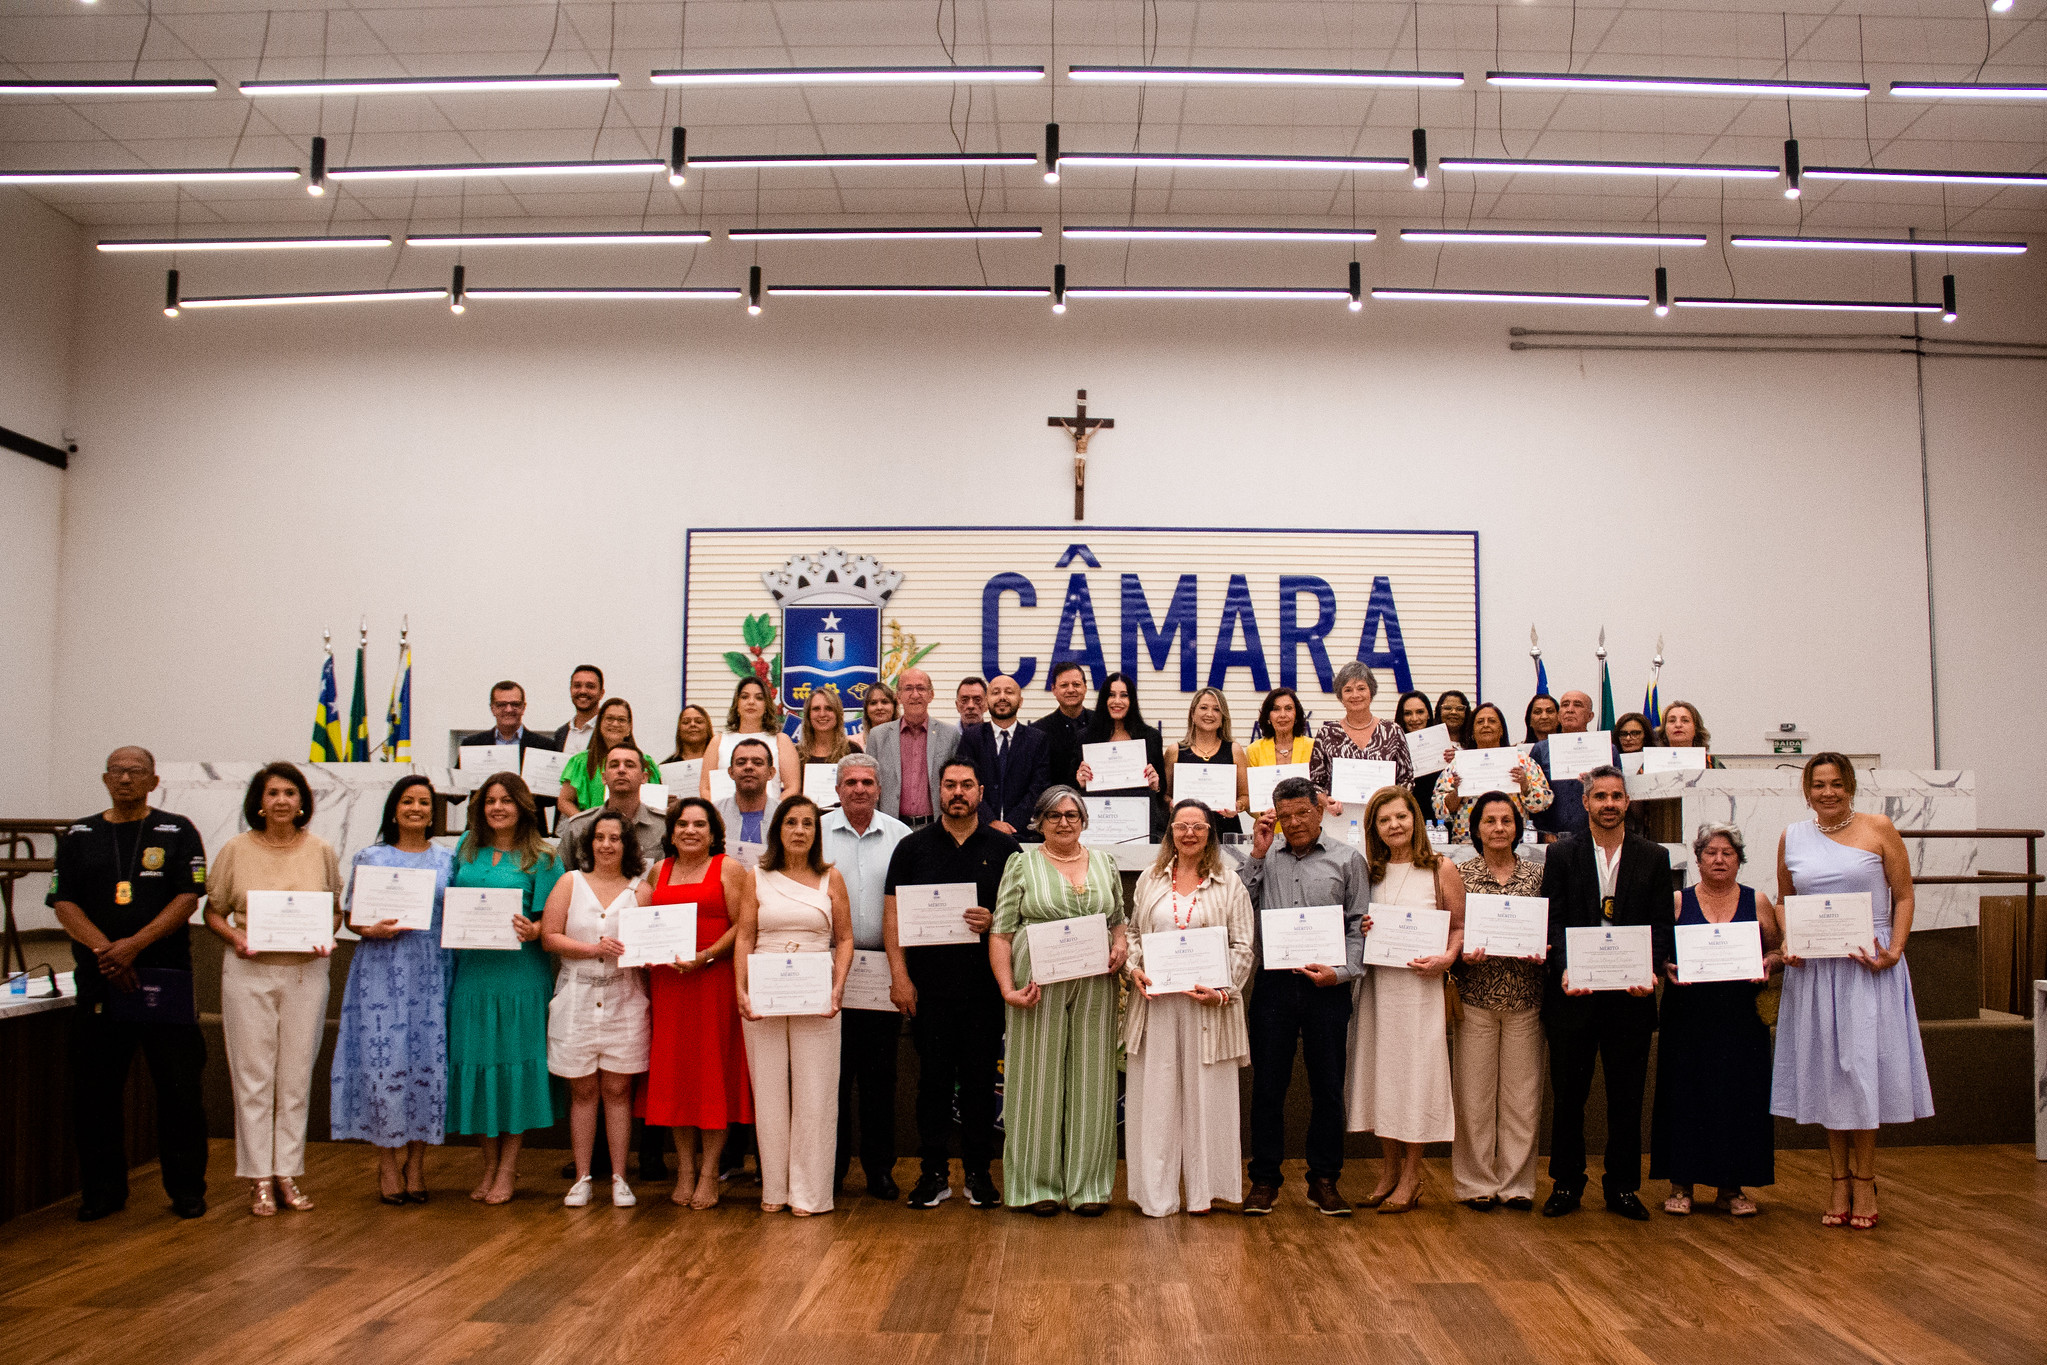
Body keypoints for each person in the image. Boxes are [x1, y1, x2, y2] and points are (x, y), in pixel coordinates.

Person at [47, 746, 209, 1221]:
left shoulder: (177, 830)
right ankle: (102, 1192)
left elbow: (187, 898)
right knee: (95, 1094)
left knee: (180, 1090)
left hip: (163, 980)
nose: (125, 779)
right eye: (116, 771)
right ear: (103, 778)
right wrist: (107, 952)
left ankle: (186, 1190)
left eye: (135, 772)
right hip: (102, 982)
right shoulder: (79, 834)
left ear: (153, 781)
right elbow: (64, 903)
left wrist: (133, 945)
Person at [1771, 753, 1933, 1230]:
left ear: (1851, 787)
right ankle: (1837, 1179)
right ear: (1807, 791)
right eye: (1818, 785)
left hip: (1869, 965)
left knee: (1861, 1073)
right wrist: (1790, 940)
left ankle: (1865, 1179)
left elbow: (1903, 895)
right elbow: (1786, 901)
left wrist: (1896, 949)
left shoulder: (1879, 827)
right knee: (1829, 1074)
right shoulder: (1792, 836)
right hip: (1817, 972)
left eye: (1836, 784)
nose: (1828, 792)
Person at [202, 761, 343, 1217]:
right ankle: (258, 1177)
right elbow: (214, 911)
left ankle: (287, 1172)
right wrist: (237, 938)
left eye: (290, 793)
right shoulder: (235, 849)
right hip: (249, 972)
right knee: (254, 1077)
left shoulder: (320, 849)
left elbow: (336, 910)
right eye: (272, 793)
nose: (281, 801)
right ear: (258, 803)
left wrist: (328, 933)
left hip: (305, 974)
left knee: (296, 1078)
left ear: (303, 802)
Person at [883, 758, 1019, 1210]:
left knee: (981, 1085)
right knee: (933, 1086)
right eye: (949, 785)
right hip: (929, 990)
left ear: (981, 791)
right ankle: (933, 1174)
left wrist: (996, 919)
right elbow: (893, 914)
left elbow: (1025, 918)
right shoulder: (912, 847)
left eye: (966, 785)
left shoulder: (1005, 851)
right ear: (938, 791)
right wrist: (900, 977)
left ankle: (979, 1173)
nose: (957, 792)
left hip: (984, 990)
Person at [1539, 766, 1672, 1221]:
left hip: (1630, 999)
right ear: (1586, 803)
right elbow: (1552, 919)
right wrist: (1563, 967)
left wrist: (1651, 970)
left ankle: (1622, 1187)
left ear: (1627, 802)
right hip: (1573, 995)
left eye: (1617, 796)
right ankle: (1566, 1184)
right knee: (1568, 1097)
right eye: (1601, 796)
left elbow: (1660, 926)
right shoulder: (1562, 855)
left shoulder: (1652, 856)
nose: (1609, 804)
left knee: (1626, 1098)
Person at [989, 786, 1128, 1215]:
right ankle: (1036, 1186)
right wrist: (1008, 988)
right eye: (1053, 816)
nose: (1063, 822)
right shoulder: (1022, 864)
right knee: (1036, 1080)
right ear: (1040, 822)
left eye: (1071, 814)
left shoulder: (1105, 863)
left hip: (1094, 982)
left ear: (1083, 819)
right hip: (1037, 984)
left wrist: (1120, 945)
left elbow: (1119, 921)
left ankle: (1089, 1187)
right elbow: (1001, 932)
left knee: (1093, 1080)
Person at [1241, 776, 1370, 1216]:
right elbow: (1238, 906)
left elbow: (1358, 923)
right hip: (1275, 984)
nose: (1294, 822)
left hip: (1326, 986)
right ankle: (1264, 1180)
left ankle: (1325, 1179)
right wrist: (1256, 854)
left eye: (1303, 813)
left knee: (1328, 1087)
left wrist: (1342, 972)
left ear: (1320, 811)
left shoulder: (1348, 859)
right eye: (1285, 815)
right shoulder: (1264, 856)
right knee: (1268, 1086)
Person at [1122, 799, 1255, 1216]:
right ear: (1171, 833)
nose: (1190, 833)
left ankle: (1204, 1193)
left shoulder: (1229, 882)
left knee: (1208, 1100)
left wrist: (1222, 991)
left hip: (1208, 1008)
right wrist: (1133, 970)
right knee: (1156, 1102)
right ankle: (1156, 1195)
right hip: (1156, 1006)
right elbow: (1133, 934)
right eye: (1182, 826)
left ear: (1211, 834)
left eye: (1199, 826)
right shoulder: (1150, 879)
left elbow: (1243, 946)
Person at [331, 774, 454, 1204]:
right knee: (382, 1068)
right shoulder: (370, 856)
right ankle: (386, 1164)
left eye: (423, 802)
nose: (416, 808)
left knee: (426, 1069)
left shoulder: (447, 859)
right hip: (380, 972)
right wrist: (370, 928)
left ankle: (416, 1165)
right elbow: (351, 918)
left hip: (432, 973)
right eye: (407, 801)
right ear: (394, 808)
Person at [733, 795, 856, 1215]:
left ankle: (810, 1192)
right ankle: (775, 1189)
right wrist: (741, 990)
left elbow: (845, 939)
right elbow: (745, 936)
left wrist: (838, 987)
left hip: (817, 990)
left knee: (816, 1091)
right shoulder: (756, 877)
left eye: (807, 823)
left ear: (816, 832)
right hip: (765, 988)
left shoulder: (830, 878)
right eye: (791, 823)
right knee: (768, 1091)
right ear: (778, 830)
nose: (799, 830)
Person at [1651, 823, 1779, 1218]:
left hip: (1740, 1016)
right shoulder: (1676, 900)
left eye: (1728, 853)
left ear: (1739, 859)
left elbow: (1777, 950)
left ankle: (1731, 1188)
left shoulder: (1758, 901)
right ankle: (1681, 1185)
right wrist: (1664, 965)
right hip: (1687, 1015)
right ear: (1698, 858)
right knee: (1684, 1094)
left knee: (1739, 1097)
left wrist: (1768, 965)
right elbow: (1656, 950)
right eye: (1711, 853)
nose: (1719, 860)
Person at [445, 772, 562, 1205]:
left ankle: (508, 1168)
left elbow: (554, 920)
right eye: (490, 801)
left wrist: (534, 929)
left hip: (520, 978)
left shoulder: (545, 858)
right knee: (477, 1067)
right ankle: (488, 1165)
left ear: (524, 807)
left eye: (507, 801)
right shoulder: (464, 848)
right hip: (473, 977)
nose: (498, 808)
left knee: (513, 1071)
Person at [1347, 787, 1463, 1213]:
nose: (1394, 825)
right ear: (1373, 828)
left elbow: (1459, 928)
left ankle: (1413, 1175)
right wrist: (1363, 928)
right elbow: (1355, 920)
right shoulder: (1369, 871)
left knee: (1415, 1079)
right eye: (1384, 820)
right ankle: (1389, 1169)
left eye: (1401, 816)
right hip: (1378, 989)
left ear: (1415, 818)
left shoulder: (1439, 868)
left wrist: (1445, 958)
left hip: (1420, 989)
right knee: (1383, 1077)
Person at [638, 797, 754, 1208]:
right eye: (683, 824)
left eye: (699, 825)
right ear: (670, 832)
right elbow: (642, 923)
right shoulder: (658, 870)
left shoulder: (729, 868)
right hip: (669, 988)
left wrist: (706, 956)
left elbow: (744, 924)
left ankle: (709, 1173)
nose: (690, 831)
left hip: (713, 982)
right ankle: (685, 1168)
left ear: (713, 832)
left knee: (710, 1078)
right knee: (676, 1079)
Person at [541, 809, 653, 1208]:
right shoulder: (570, 883)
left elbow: (650, 944)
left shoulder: (641, 890)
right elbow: (550, 937)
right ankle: (584, 1175)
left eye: (615, 838)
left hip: (625, 995)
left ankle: (621, 1177)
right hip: (578, 996)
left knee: (618, 1089)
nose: (607, 845)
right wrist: (593, 949)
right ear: (589, 844)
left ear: (627, 845)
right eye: (600, 838)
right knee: (583, 1089)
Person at [1451, 791, 1549, 1211]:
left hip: (1526, 998)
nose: (1498, 829)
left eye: (1506, 821)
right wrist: (1462, 954)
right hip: (1475, 997)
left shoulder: (1537, 874)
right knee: (1473, 1097)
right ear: (1476, 829)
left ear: (1517, 827)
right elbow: (1450, 930)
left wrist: (1542, 946)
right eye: (1489, 821)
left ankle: (1516, 1185)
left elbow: (1550, 926)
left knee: (1522, 1098)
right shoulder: (1460, 874)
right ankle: (1475, 1183)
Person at [818, 754, 910, 1198]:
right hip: (827, 968)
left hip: (879, 968)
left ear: (879, 789)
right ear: (837, 790)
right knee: (829, 1077)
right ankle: (829, 1170)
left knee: (879, 1078)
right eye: (850, 782)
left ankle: (879, 1169)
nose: (859, 789)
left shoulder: (901, 836)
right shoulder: (813, 834)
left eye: (867, 782)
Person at [1434, 702, 1553, 844]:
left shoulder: (1521, 760)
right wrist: (1456, 792)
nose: (1485, 725)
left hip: (1512, 844)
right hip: (1468, 842)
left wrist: (1525, 785)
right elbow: (1439, 810)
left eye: (1492, 721)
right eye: (1479, 722)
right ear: (1472, 731)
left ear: (1501, 730)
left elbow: (1543, 802)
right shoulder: (1458, 763)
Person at [1074, 671, 1168, 841]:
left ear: (1131, 700)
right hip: (1098, 824)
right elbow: (1070, 789)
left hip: (1138, 823)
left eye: (1124, 695)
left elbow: (1162, 791)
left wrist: (1155, 785)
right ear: (1104, 700)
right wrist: (1081, 783)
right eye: (1111, 695)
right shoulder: (1085, 737)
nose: (1117, 701)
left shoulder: (1150, 737)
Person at [1310, 662, 1415, 813]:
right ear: (1340, 696)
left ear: (1371, 692)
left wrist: (1392, 806)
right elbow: (1315, 783)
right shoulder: (1327, 733)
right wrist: (1327, 803)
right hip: (1339, 818)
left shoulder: (1392, 731)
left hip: (1384, 816)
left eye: (1361, 688)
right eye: (1348, 690)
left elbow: (1407, 780)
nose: (1355, 695)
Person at [954, 673, 1050, 836]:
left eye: (1009, 692)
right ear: (986, 701)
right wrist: (990, 821)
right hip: (978, 832)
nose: (1002, 697)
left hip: (1024, 832)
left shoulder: (1037, 739)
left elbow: (1039, 788)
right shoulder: (971, 738)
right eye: (996, 692)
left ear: (1020, 701)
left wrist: (1011, 825)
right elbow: (965, 783)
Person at [865, 667, 960, 827]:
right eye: (908, 688)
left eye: (921, 688)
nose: (915, 695)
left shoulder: (950, 735)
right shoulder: (878, 736)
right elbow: (870, 785)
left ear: (931, 695)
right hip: (891, 826)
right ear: (899, 696)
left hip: (936, 827)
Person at [460, 680, 562, 823]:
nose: (508, 709)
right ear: (492, 708)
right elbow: (457, 793)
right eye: (501, 705)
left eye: (515, 704)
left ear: (523, 707)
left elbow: (552, 799)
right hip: (482, 828)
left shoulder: (544, 746)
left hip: (528, 828)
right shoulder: (471, 745)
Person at [557, 746, 668, 868]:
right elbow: (560, 875)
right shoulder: (579, 826)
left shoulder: (663, 826)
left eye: (629, 765)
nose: (621, 770)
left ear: (644, 777)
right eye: (614, 765)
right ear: (604, 778)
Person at [1162, 686, 1248, 841]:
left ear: (1223, 717)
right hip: (1186, 834)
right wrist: (1171, 803)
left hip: (1226, 831)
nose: (1210, 714)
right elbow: (1164, 795)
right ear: (1193, 714)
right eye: (1203, 708)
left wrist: (1238, 806)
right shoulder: (1174, 751)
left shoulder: (1234, 750)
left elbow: (1246, 796)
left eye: (1216, 709)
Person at [1528, 690, 1614, 844]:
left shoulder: (1607, 748)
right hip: (1552, 839)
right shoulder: (1540, 750)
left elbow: (1617, 792)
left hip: (1597, 837)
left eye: (1578, 705)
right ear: (1559, 714)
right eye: (1565, 705)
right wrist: (1542, 834)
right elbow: (1534, 794)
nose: (1570, 709)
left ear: (1590, 716)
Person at [557, 698, 662, 821]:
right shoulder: (580, 762)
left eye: (621, 720)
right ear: (600, 724)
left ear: (629, 727)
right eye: (610, 719)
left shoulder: (646, 763)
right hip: (593, 834)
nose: (615, 724)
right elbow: (564, 801)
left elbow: (655, 805)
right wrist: (585, 824)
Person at [701, 676, 801, 801]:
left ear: (766, 706)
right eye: (744, 697)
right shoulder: (718, 741)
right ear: (736, 705)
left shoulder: (781, 740)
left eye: (759, 698)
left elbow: (792, 787)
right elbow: (705, 788)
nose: (751, 702)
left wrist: (773, 812)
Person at [1030, 660, 1094, 790]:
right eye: (1064, 685)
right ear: (1053, 689)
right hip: (1055, 805)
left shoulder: (1103, 723)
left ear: (1085, 688)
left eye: (1076, 684)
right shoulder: (1038, 732)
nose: (1071, 690)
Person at [714, 738, 778, 862]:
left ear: (771, 773)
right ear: (731, 772)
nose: (748, 767)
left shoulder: (784, 814)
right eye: (741, 762)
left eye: (757, 763)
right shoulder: (713, 813)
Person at [796, 687, 861, 804]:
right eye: (816, 709)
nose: (822, 714)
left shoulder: (852, 751)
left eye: (829, 708)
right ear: (808, 716)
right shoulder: (796, 753)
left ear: (837, 714)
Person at [1394, 689, 1441, 818]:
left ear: (1429, 715)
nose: (1414, 718)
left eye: (1420, 712)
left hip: (1435, 818)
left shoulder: (1442, 744)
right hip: (1404, 813)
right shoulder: (1393, 746)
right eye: (1408, 713)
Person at [1247, 686, 1313, 768]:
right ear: (1268, 716)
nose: (1282, 715)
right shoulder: (1254, 750)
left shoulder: (1312, 747)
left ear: (1296, 714)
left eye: (1288, 708)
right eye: (1276, 709)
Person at [554, 664, 606, 754]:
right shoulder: (561, 733)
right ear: (570, 690)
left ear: (601, 693)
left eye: (590, 686)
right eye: (577, 686)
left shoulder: (609, 731)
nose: (583, 691)